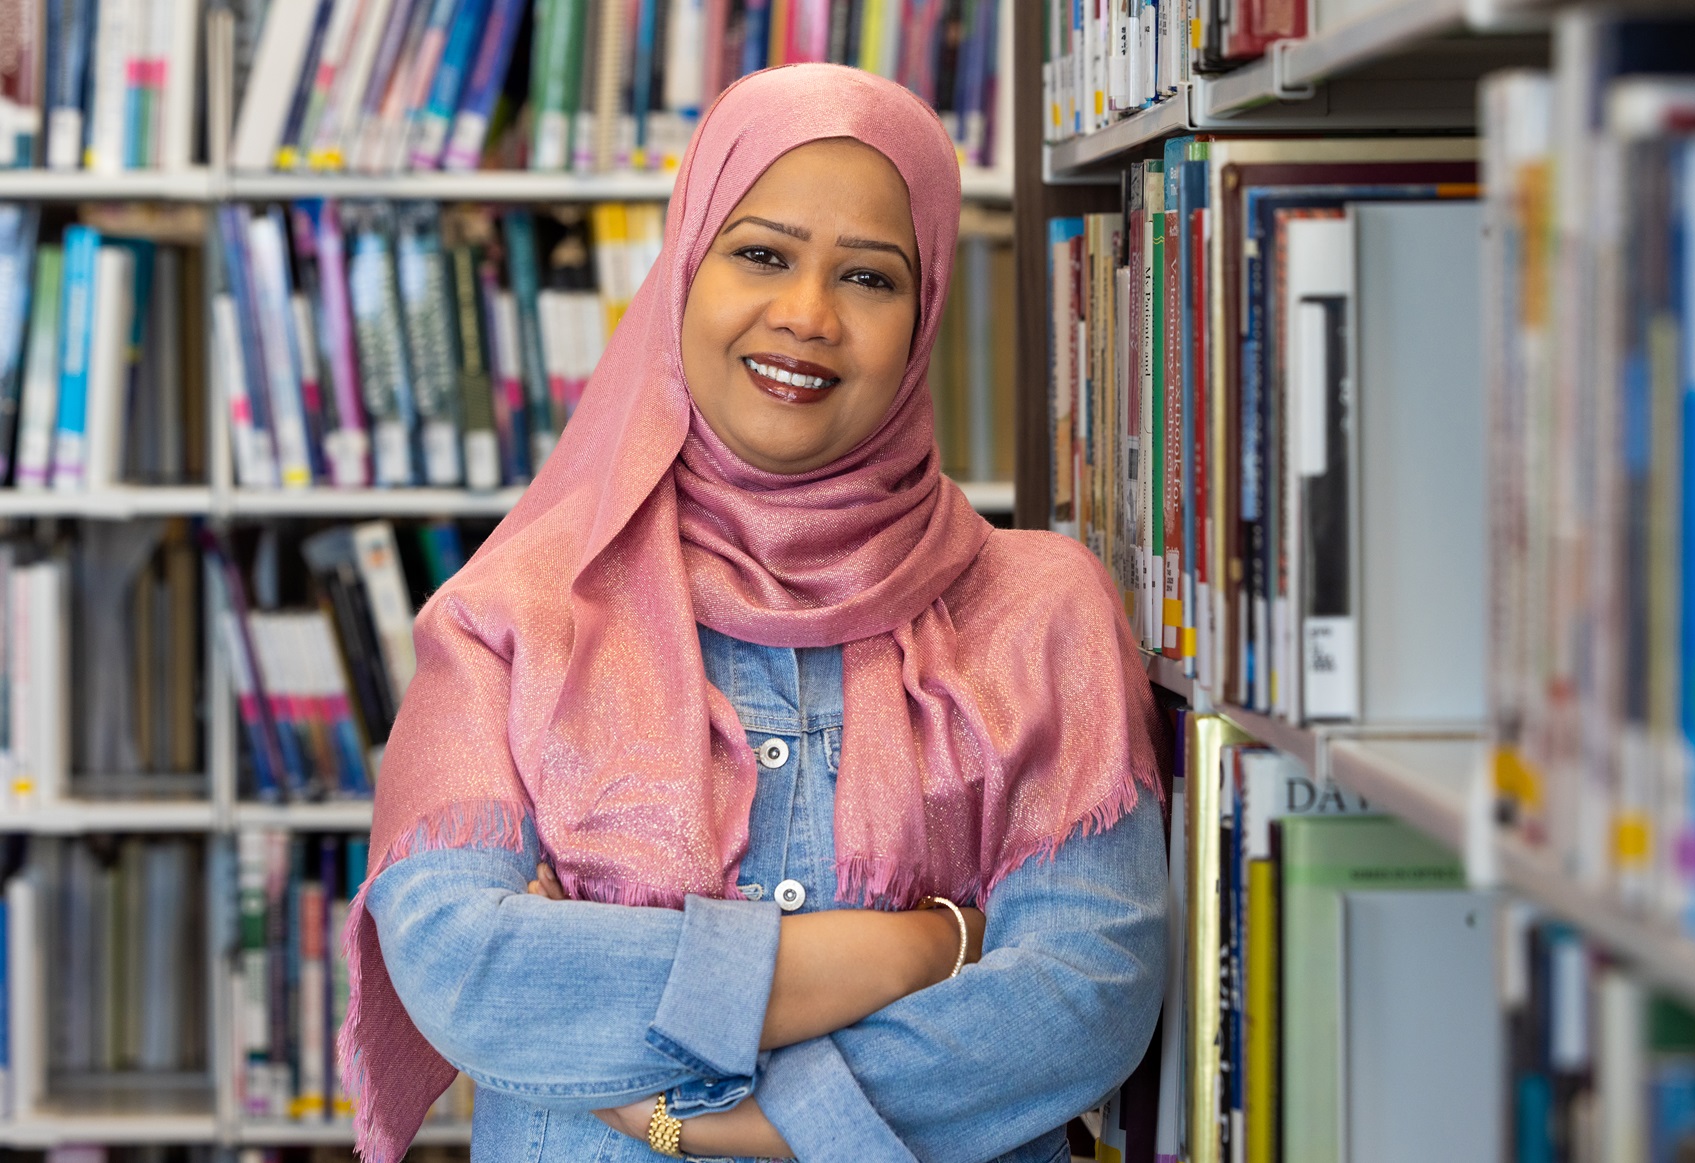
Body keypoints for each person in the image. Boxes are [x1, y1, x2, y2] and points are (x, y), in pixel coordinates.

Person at [341, 63, 1169, 1163]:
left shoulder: (1042, 608)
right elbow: (470, 971)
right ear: (685, 269)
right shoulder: (510, 618)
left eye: (869, 278)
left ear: (923, 318)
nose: (807, 315)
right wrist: (927, 945)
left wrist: (723, 1120)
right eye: (762, 254)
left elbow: (1085, 996)